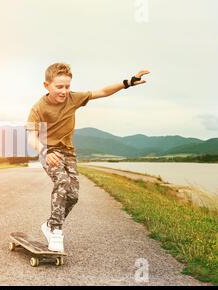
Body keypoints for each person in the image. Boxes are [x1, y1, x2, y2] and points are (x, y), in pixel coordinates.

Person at [25, 62, 149, 252]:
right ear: (46, 85)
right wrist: (45, 152)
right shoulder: (38, 108)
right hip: (49, 152)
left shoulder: (74, 98)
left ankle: (50, 225)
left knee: (73, 196)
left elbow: (103, 92)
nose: (64, 91)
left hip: (68, 152)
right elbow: (31, 137)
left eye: (67, 86)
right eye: (59, 87)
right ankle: (56, 231)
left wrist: (128, 82)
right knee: (62, 182)